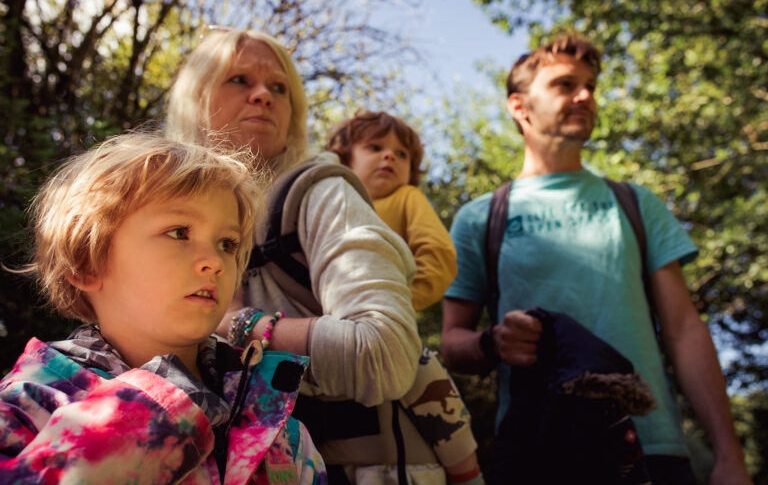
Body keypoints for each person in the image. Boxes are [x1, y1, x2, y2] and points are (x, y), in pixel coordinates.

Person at [441, 34, 752, 485]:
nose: (585, 95)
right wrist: (493, 342)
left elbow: (685, 330)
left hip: (651, 447)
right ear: (519, 107)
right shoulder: (480, 218)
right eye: (565, 85)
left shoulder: (635, 204)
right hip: (535, 450)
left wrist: (729, 456)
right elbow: (452, 343)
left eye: (590, 85)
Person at [166, 28, 439, 484]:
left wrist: (237, 323)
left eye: (279, 88)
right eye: (239, 80)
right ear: (194, 98)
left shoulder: (321, 193)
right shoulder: (155, 209)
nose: (263, 96)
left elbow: (386, 355)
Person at [0, 133, 326, 484]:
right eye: (179, 232)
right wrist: (146, 411)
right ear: (86, 262)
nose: (214, 261)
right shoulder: (29, 402)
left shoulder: (280, 429)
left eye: (227, 243)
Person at [325, 110, 483, 484]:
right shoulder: (328, 206)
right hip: (334, 332)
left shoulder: (405, 199)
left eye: (402, 154)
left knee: (431, 389)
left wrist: (394, 302)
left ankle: (468, 471)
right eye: (375, 147)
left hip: (388, 328)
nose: (390, 157)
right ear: (344, 159)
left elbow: (440, 256)